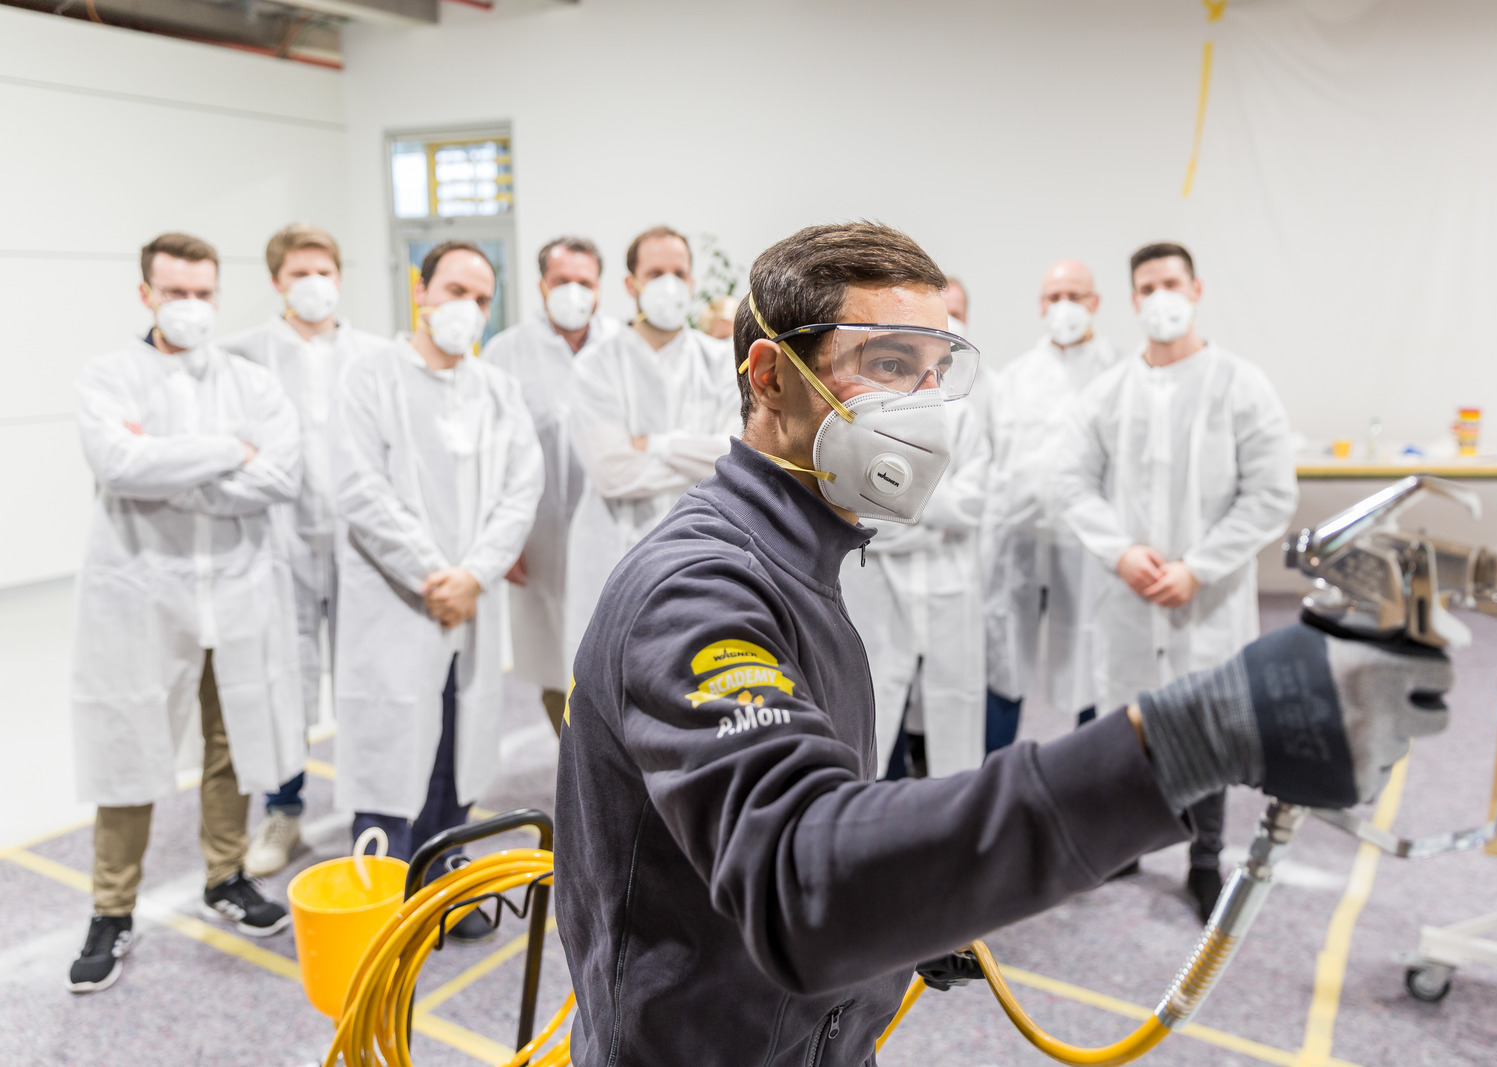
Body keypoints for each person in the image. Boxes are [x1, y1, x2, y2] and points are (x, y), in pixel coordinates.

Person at [554, 222, 1451, 1066]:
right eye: (888, 365)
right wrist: (1196, 736)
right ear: (770, 376)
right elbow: (801, 879)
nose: (924, 408)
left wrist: (909, 907)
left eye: (935, 372)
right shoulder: (696, 592)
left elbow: (813, 826)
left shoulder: (807, 559)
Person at [68, 233, 305, 993]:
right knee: (131, 744)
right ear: (146, 294)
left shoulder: (251, 382)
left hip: (235, 589)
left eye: (203, 293)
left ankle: (225, 874)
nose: (191, 306)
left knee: (230, 739)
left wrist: (170, 459)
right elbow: (120, 465)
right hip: (142, 591)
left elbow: (281, 476)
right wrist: (232, 449)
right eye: (176, 292)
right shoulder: (108, 378)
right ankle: (112, 908)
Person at [1057, 242, 1299, 921]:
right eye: (1147, 287)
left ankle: (1204, 860)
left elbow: (1270, 493)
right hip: (1129, 595)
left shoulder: (1241, 385)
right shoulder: (1108, 393)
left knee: (1207, 727)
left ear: (1195, 289)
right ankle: (1126, 847)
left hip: (1207, 598)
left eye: (1171, 283)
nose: (1160, 297)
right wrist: (1121, 551)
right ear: (1133, 300)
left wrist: (1200, 566)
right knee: (1129, 725)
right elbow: (1072, 483)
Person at [332, 240, 542, 940]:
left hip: (469, 602)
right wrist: (435, 575)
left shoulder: (497, 391)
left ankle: (444, 874)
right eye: (455, 291)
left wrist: (475, 574)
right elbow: (360, 490)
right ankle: (383, 896)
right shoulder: (370, 378)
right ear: (420, 291)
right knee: (394, 747)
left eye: (481, 299)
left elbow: (522, 488)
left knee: (459, 742)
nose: (468, 309)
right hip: (398, 603)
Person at [218, 223, 388, 876]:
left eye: (324, 272)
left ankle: (372, 811)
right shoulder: (241, 357)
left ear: (340, 277)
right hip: (275, 543)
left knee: (369, 678)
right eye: (299, 274)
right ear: (276, 281)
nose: (314, 284)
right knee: (281, 681)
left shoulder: (376, 354)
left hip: (361, 544)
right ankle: (283, 809)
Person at [839, 275, 991, 779]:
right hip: (879, 590)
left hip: (952, 587)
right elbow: (866, 513)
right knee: (870, 719)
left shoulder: (967, 415)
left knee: (954, 719)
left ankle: (956, 822)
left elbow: (971, 506)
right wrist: (932, 514)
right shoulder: (871, 409)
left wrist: (906, 500)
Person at [482, 236, 620, 739]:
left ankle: (618, 764)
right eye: (561, 281)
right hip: (536, 533)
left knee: (617, 649)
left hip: (613, 528)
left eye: (584, 281)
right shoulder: (505, 352)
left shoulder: (621, 347)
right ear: (541, 285)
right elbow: (490, 452)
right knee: (551, 660)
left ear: (600, 288)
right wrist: (504, 540)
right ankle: (573, 761)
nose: (573, 292)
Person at [983, 259, 1121, 753]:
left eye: (1075, 295)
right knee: (1004, 658)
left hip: (1088, 548)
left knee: (1092, 657)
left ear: (1095, 302)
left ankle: (1090, 776)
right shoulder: (1015, 377)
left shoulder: (1117, 376)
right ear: (1041, 305)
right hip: (1018, 544)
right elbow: (995, 461)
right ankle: (994, 773)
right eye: (1055, 297)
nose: (1065, 307)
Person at [568, 225, 741, 553]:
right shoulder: (594, 365)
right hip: (613, 550)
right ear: (630, 284)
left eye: (679, 274)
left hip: (704, 546)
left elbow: (734, 457)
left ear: (691, 283)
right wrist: (700, 460)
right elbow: (612, 474)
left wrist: (653, 444)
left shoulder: (722, 361)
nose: (669, 286)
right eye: (655, 273)